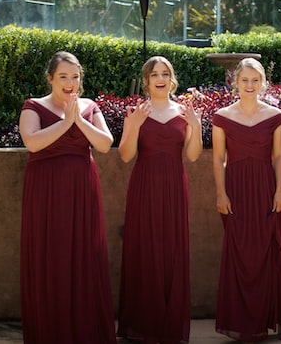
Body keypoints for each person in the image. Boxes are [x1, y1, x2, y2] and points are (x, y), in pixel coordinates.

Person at [18, 51, 116, 344]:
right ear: (50, 78)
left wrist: (78, 121)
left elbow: (104, 144)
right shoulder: (33, 106)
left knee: (84, 254)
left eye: (75, 76)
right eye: (63, 76)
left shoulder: (89, 107)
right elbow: (33, 143)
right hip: (46, 191)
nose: (70, 82)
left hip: (83, 190)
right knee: (51, 253)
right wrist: (65, 123)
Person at [117, 56, 202, 344]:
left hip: (175, 188)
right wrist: (133, 125)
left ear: (172, 78)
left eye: (165, 73)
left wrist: (196, 125)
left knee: (172, 251)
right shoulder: (137, 112)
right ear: (146, 81)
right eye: (155, 74)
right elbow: (126, 155)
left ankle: (170, 324)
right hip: (144, 187)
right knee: (144, 248)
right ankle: (144, 324)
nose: (160, 78)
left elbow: (191, 156)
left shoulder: (183, 112)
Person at [212, 57, 281, 343]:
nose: (249, 85)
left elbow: (279, 156)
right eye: (244, 80)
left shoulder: (274, 115)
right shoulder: (221, 116)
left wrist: (280, 189)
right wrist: (221, 193)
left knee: (272, 252)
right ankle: (240, 322)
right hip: (235, 191)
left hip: (266, 190)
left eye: (255, 80)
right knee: (239, 254)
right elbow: (219, 158)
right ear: (235, 82)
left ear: (263, 83)